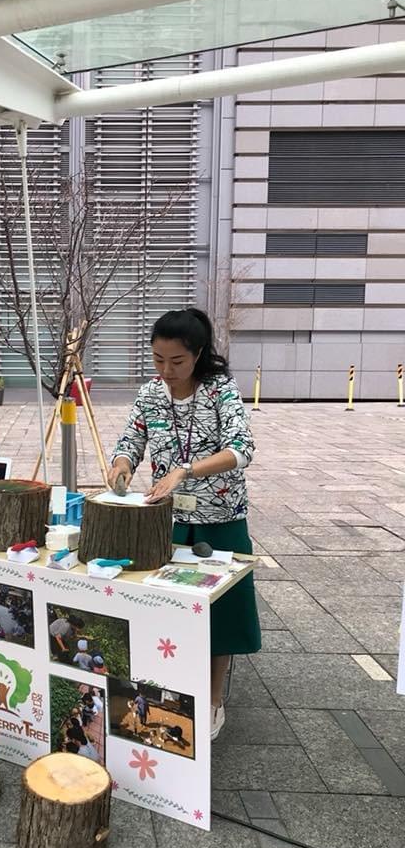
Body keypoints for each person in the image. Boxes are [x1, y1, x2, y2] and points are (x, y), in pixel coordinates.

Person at [108, 308, 260, 741]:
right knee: (168, 607)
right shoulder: (151, 394)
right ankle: (170, 685)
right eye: (158, 360)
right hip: (167, 519)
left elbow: (242, 448)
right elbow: (130, 440)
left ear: (197, 355)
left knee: (222, 614)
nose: (166, 370)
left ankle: (213, 699)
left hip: (220, 517)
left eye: (176, 361)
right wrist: (121, 466)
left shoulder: (220, 391)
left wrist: (185, 471)